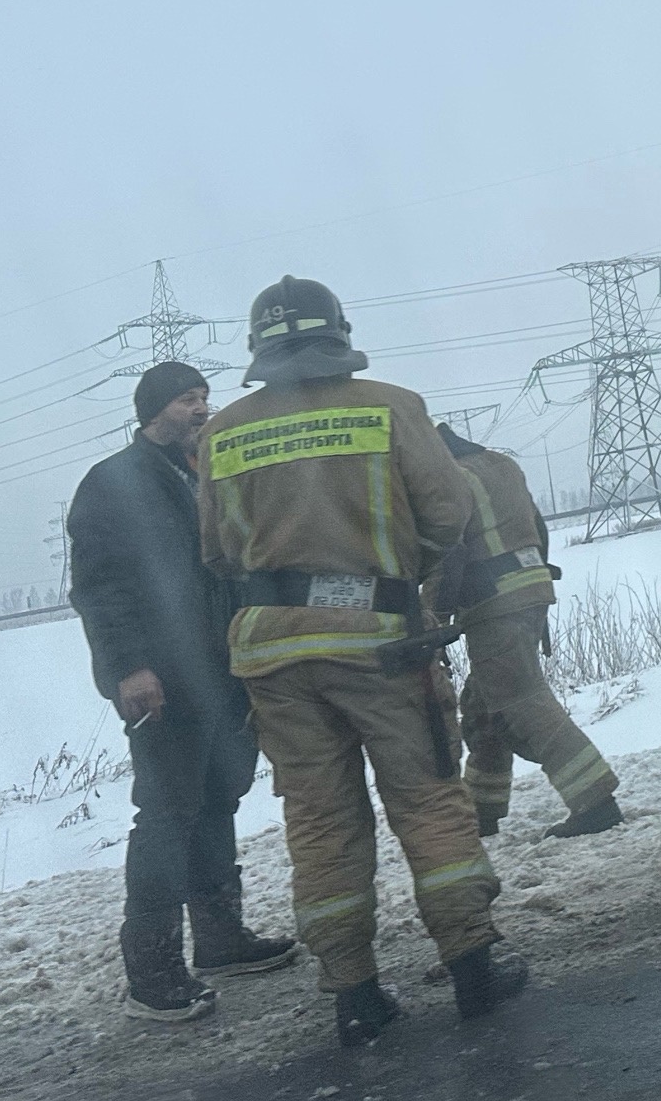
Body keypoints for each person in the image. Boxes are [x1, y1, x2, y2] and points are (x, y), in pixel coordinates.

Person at [197, 277, 529, 1046]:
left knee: (318, 818)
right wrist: (386, 574)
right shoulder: (391, 406)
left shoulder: (223, 433)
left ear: (260, 350)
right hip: (379, 641)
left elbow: (214, 550)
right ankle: (473, 969)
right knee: (425, 796)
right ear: (339, 335)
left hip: (270, 650)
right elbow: (448, 513)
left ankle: (354, 994)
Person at [67, 360, 296, 1023]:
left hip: (224, 673)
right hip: (163, 681)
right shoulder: (114, 482)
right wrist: (129, 668)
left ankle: (222, 940)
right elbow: (99, 588)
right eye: (185, 400)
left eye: (204, 397)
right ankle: (153, 971)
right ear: (153, 412)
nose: (201, 409)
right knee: (167, 814)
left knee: (219, 799)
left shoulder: (205, 476)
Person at [433, 422, 620, 840]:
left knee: (522, 701)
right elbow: (538, 527)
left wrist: (434, 619)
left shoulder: (444, 479)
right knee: (484, 703)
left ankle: (596, 801)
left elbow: (448, 554)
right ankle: (482, 809)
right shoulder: (501, 464)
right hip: (530, 586)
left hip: (492, 600)